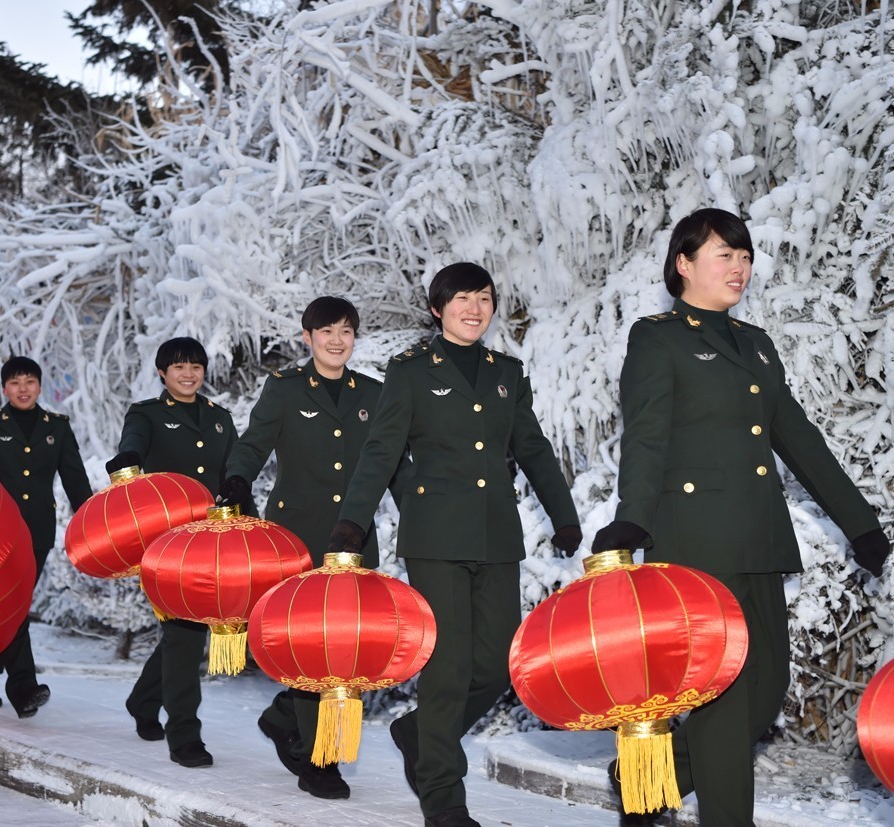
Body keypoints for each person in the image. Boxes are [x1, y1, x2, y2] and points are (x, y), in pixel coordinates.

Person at [592, 208, 889, 826]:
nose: (739, 267)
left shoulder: (754, 343)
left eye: (745, 256)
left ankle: (649, 775)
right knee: (723, 702)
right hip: (694, 543)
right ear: (684, 263)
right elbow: (645, 439)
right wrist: (631, 519)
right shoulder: (658, 338)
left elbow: (798, 438)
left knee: (763, 693)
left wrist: (859, 521)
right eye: (724, 254)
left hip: (757, 540)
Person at [330, 263, 582, 827]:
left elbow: (533, 448)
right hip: (437, 534)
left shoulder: (506, 373)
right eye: (462, 298)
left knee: (495, 665)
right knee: (446, 669)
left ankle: (418, 732)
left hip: (497, 536)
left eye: (485, 298)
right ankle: (444, 796)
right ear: (438, 308)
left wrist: (564, 516)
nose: (475, 308)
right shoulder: (411, 371)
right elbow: (381, 451)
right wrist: (353, 522)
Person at [221, 296, 400, 800]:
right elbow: (254, 444)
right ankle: (317, 758)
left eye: (345, 331)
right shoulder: (284, 390)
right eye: (326, 332)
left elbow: (395, 462)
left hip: (356, 540)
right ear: (308, 337)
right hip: (298, 537)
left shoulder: (375, 392)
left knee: (352, 647)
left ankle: (284, 717)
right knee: (308, 645)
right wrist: (237, 479)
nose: (336, 340)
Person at [106, 336, 252, 769]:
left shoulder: (221, 418)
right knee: (184, 634)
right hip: (167, 545)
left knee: (184, 632)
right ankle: (184, 735)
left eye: (195, 366)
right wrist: (128, 456)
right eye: (178, 367)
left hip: (214, 543)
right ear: (162, 372)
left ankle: (142, 700)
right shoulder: (147, 414)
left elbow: (235, 477)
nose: (188, 374)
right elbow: (133, 440)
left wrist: (251, 529)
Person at [0, 356, 93, 718]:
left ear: (40, 386)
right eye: (15, 382)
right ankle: (23, 689)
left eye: (30, 381)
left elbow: (74, 478)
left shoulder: (58, 427)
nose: (23, 389)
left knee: (8, 606)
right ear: (4, 388)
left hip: (37, 531)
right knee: (14, 605)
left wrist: (92, 520)